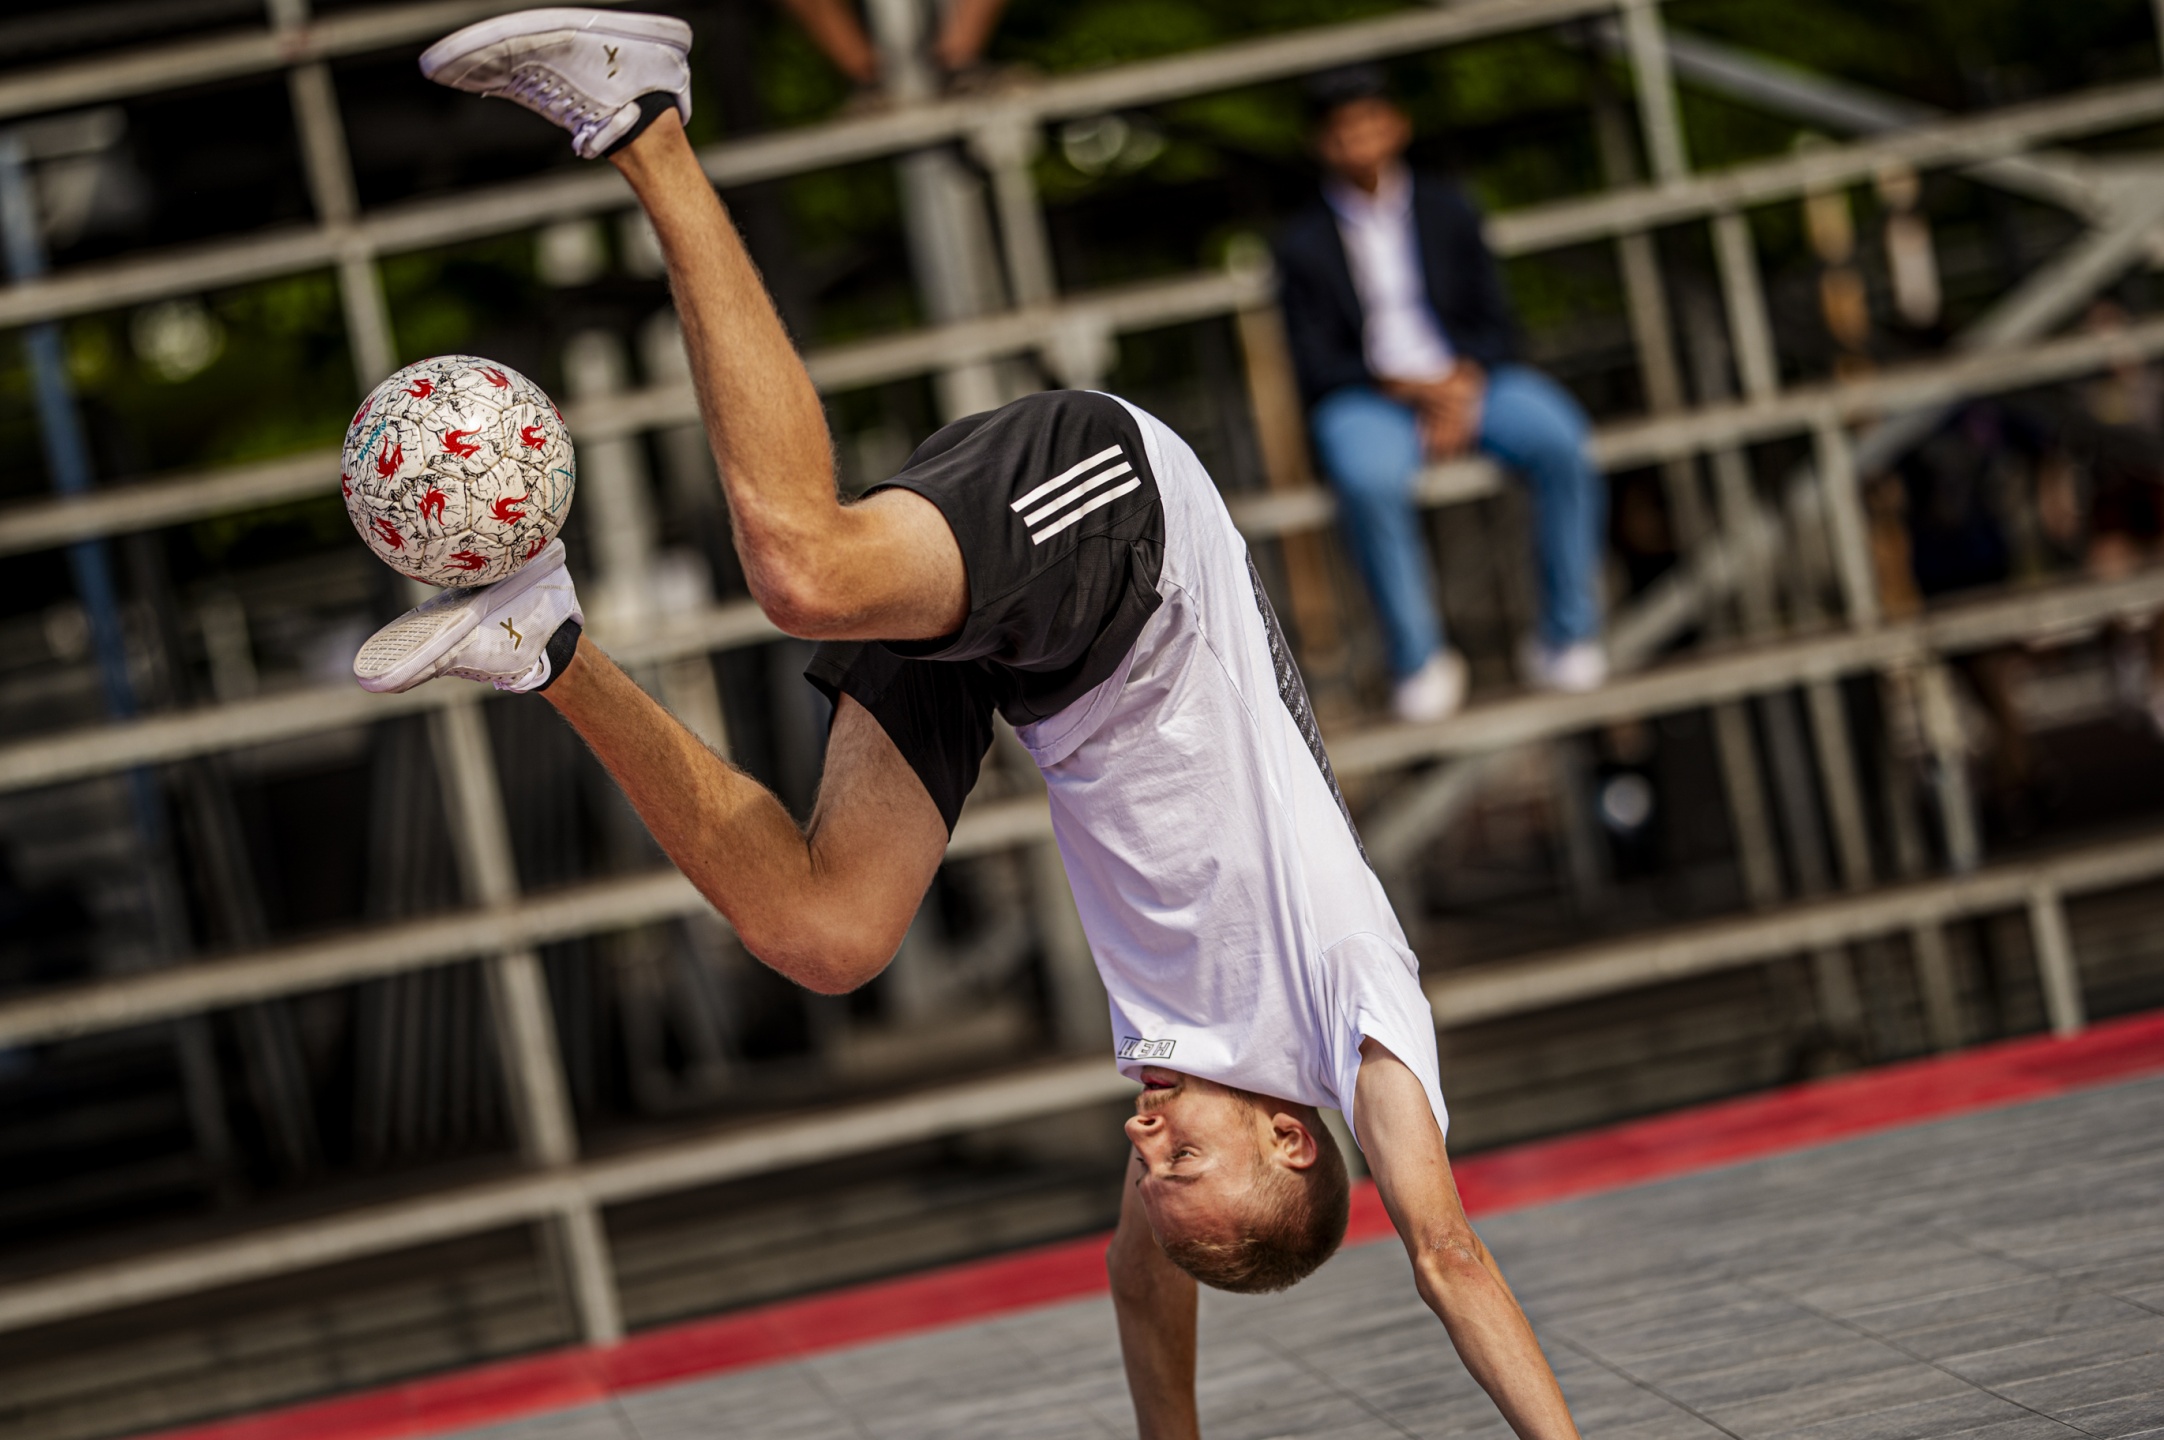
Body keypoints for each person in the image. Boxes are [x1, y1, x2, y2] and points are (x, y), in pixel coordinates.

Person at [393, 13, 1581, 1437]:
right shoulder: (1352, 1016)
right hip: (1131, 539)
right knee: (804, 572)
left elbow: (1141, 1286)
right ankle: (644, 115)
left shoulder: (1188, 1083)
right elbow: (1448, 1259)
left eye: (1150, 1175)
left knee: (828, 936)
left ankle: (543, 641)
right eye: (1180, 1164)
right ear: (1290, 1136)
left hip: (1043, 675)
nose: (1143, 1144)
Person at [1274, 65, 1609, 723]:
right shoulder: (1300, 244)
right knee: (1367, 478)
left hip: (1471, 377)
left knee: (1560, 439)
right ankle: (1418, 657)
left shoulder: (1451, 209)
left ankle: (1568, 633)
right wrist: (1403, 389)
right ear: (1320, 143)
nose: (1359, 140)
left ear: (1397, 126)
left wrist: (1458, 386)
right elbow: (1313, 363)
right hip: (1369, 395)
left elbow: (1499, 322)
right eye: (1342, 129)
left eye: (1370, 122)